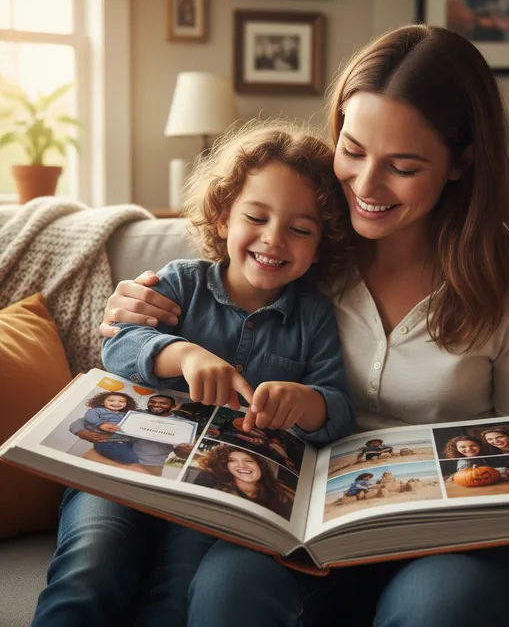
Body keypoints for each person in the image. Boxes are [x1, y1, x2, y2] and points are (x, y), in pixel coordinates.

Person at [98, 24, 509, 627]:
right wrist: (136, 315)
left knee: (431, 611)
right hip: (319, 520)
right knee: (226, 590)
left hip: (461, 529)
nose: (366, 188)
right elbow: (213, 303)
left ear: (461, 160)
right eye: (352, 151)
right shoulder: (307, 249)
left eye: (402, 166)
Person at [32, 120, 356, 627]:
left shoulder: (313, 317)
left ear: (321, 243)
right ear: (224, 217)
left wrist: (306, 402)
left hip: (213, 486)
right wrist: (182, 354)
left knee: (177, 590)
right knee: (90, 568)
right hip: (118, 471)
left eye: (300, 229)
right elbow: (120, 346)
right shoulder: (181, 282)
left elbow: (337, 406)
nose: (274, 239)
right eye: (257, 216)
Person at [194, 445, 294, 518]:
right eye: (232, 461)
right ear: (225, 467)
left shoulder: (282, 491)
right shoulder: (220, 496)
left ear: (260, 466)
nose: (242, 465)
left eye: (249, 461)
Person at [80, 391, 139, 465]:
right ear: (102, 402)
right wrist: (100, 424)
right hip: (108, 442)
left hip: (126, 441)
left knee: (134, 456)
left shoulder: (124, 414)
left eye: (121, 401)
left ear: (126, 404)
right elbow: (89, 417)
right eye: (111, 400)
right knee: (130, 459)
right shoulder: (97, 410)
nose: (116, 403)